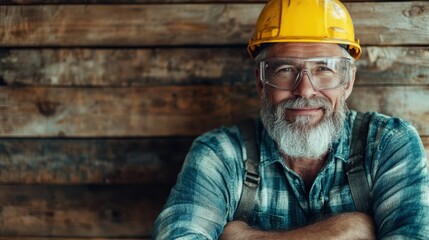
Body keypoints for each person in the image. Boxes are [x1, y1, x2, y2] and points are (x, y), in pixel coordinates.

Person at [153, 0, 429, 239]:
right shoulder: (220, 154)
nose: (305, 90)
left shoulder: (388, 144)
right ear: (262, 83)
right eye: (285, 69)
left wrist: (244, 237)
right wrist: (345, 231)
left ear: (348, 82)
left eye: (324, 68)